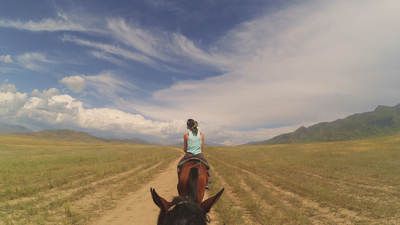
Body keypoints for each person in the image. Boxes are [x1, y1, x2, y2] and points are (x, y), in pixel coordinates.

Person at [177, 119, 211, 189]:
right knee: (207, 167)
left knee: (179, 166)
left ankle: (180, 181)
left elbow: (185, 149)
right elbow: (202, 149)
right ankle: (208, 183)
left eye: (187, 126)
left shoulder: (186, 135)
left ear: (189, 127)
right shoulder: (202, 135)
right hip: (199, 155)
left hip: (189, 154)